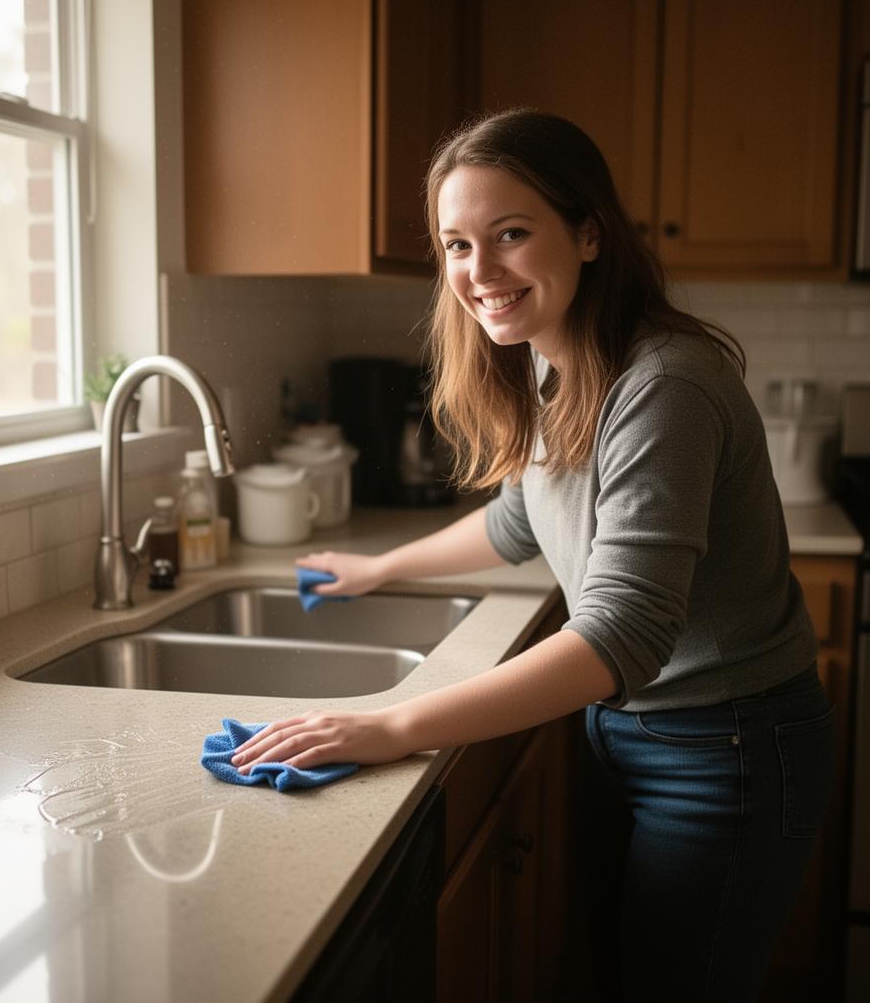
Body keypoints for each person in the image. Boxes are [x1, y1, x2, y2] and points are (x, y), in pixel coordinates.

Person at [230, 109, 835, 1001]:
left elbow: (622, 635)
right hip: (624, 731)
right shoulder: (559, 364)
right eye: (458, 245)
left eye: (510, 233)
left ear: (588, 233)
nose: (480, 272)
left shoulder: (662, 385)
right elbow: (520, 521)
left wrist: (389, 727)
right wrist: (379, 569)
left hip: (726, 750)